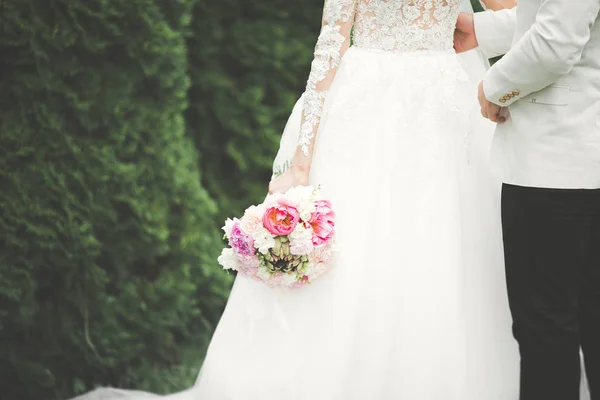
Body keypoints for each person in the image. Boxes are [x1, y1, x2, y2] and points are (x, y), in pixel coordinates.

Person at [73, 1, 520, 399]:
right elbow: (330, 45)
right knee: (365, 245)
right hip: (371, 108)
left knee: (440, 239)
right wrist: (301, 163)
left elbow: (520, 15)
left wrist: (499, 76)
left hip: (441, 111)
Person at [454, 2, 600, 400]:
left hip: (559, 162)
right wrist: (480, 29)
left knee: (546, 330)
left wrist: (493, 88)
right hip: (580, 161)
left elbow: (555, 41)